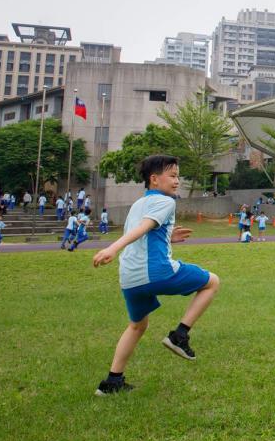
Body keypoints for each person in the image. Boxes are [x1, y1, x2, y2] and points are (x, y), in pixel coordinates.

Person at [91, 154, 221, 396]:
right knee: (212, 282)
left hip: (129, 277)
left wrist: (168, 236)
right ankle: (179, 335)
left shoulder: (139, 204)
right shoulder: (166, 202)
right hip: (155, 271)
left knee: (137, 326)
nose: (177, 181)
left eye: (178, 176)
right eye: (172, 176)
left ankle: (112, 382)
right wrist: (111, 248)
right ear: (154, 179)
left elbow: (144, 232)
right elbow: (142, 230)